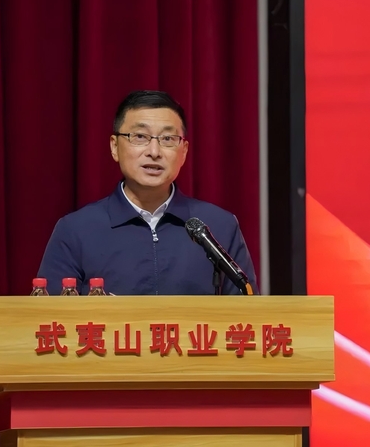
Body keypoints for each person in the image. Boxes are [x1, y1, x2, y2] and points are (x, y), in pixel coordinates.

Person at [38, 90, 258, 295]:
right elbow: (50, 317)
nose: (154, 152)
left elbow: (249, 313)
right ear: (114, 147)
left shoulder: (220, 227)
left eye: (168, 139)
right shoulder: (75, 230)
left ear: (183, 152)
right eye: (140, 137)